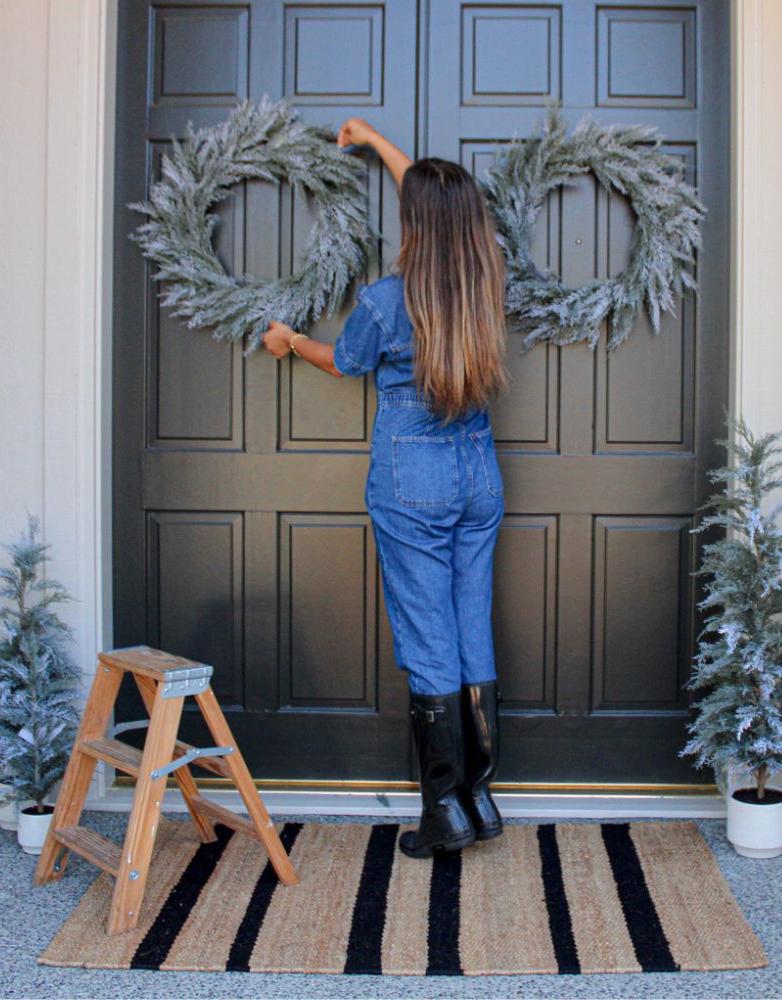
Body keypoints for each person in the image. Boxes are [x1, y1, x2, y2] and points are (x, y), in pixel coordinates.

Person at [262, 118, 510, 859]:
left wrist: (289, 341)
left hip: (415, 476)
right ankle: (479, 798)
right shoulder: (486, 279)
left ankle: (443, 812)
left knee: (429, 637)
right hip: (478, 473)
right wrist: (375, 141)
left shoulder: (387, 300)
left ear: (414, 223)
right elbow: (436, 202)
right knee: (470, 627)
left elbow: (343, 361)